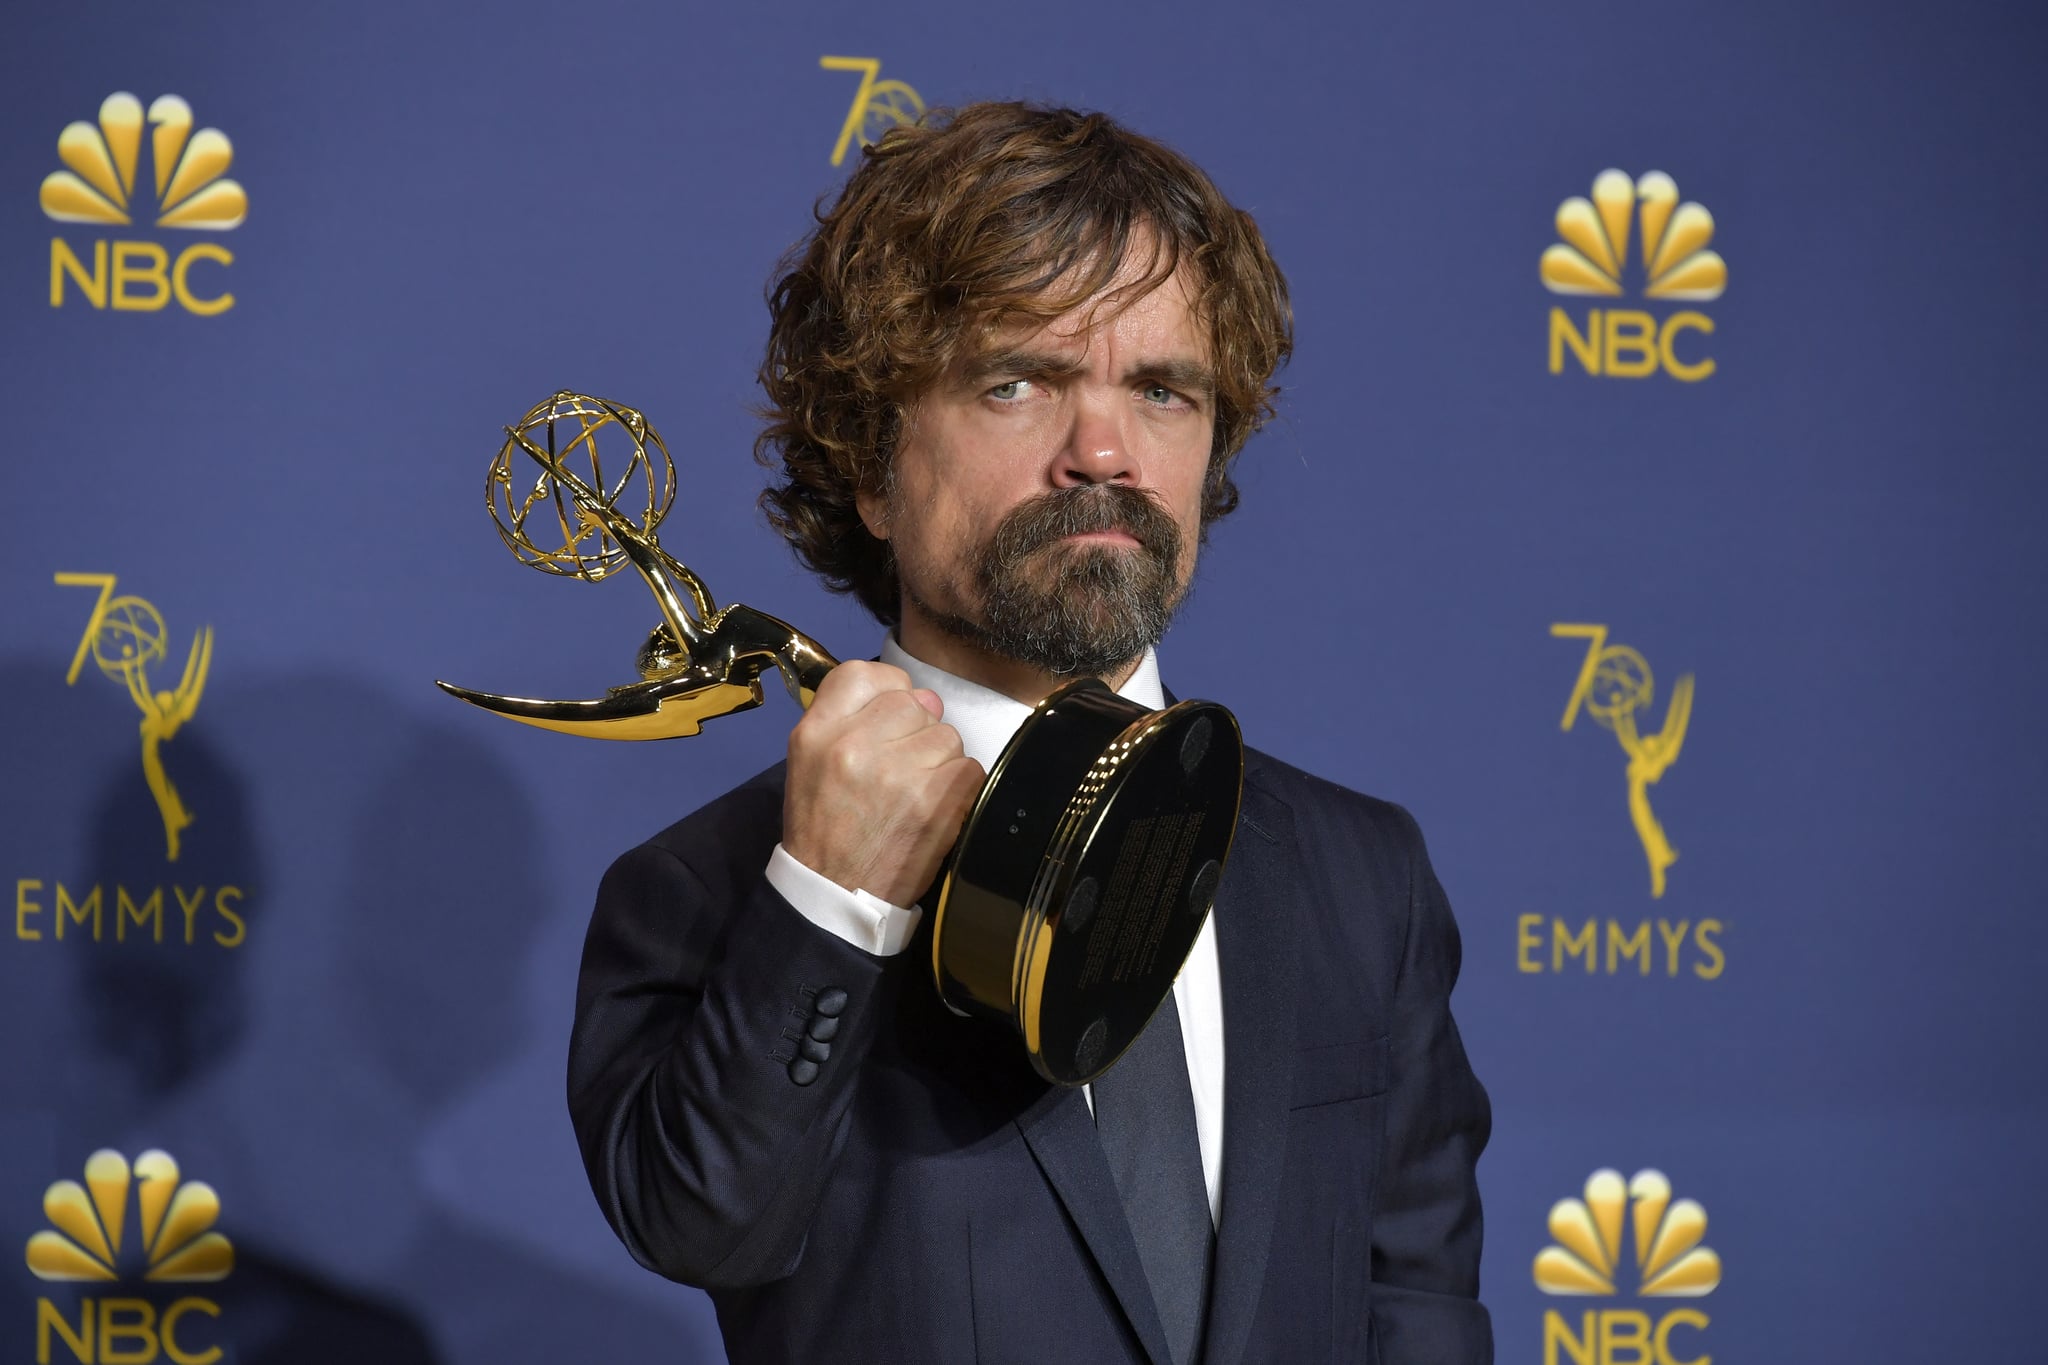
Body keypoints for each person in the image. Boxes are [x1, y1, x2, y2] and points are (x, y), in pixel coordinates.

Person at [567, 102, 1492, 1365]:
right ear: (865, 465)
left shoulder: (1357, 874)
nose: (1102, 451)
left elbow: (1419, 1306)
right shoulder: (712, 894)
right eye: (1017, 382)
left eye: (1161, 390)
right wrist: (832, 903)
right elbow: (703, 1230)